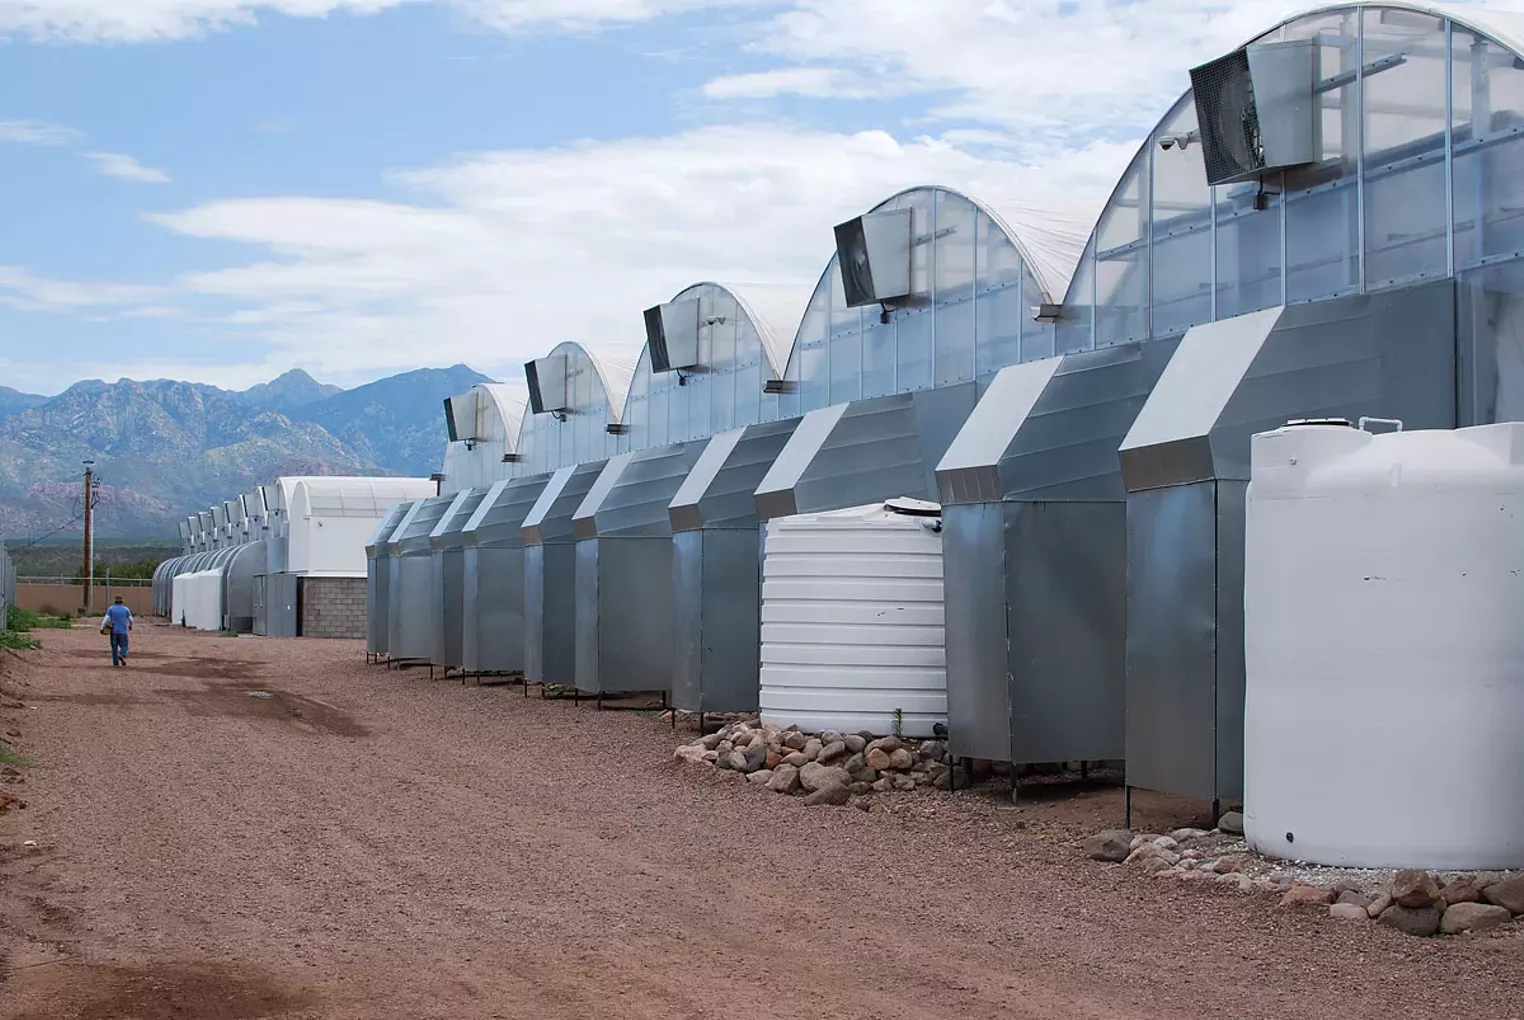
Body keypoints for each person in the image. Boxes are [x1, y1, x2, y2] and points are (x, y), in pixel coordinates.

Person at [100, 596, 133, 667]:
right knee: (124, 645)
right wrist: (130, 626)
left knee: (114, 647)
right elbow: (131, 619)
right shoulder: (126, 609)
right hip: (123, 631)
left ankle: (115, 663)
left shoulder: (111, 609)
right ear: (122, 602)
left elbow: (106, 619)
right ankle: (122, 655)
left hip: (113, 631)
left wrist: (102, 628)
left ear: (114, 601)